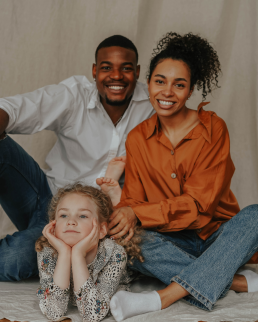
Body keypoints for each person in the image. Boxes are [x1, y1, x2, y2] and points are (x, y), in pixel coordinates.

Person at [97, 32, 258, 321]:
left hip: (215, 235)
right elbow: (133, 199)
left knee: (256, 215)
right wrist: (122, 209)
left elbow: (199, 206)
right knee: (124, 240)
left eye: (179, 84)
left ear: (191, 89)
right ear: (148, 83)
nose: (167, 92)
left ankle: (164, 296)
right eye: (160, 81)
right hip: (169, 240)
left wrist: (137, 212)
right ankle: (230, 280)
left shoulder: (213, 128)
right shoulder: (137, 138)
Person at [0, 35, 154, 281]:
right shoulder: (74, 95)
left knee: (13, 260)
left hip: (96, 218)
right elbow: (15, 108)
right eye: (106, 68)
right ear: (95, 71)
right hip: (47, 199)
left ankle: (48, 246)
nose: (116, 76)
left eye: (125, 68)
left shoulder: (153, 105)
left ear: (136, 72)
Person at [35, 183, 143, 322]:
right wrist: (64, 254)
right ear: (53, 226)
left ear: (102, 229)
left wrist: (78, 254)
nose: (71, 221)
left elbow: (93, 314)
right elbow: (54, 312)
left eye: (83, 216)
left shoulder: (114, 253)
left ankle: (117, 199)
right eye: (63, 215)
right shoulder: (47, 252)